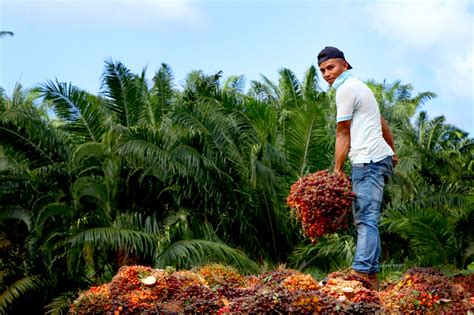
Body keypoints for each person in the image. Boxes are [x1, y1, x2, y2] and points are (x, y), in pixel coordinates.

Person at [317, 46, 397, 290]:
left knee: (365, 218)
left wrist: (337, 170)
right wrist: (392, 152)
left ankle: (360, 272)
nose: (327, 74)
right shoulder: (361, 87)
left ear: (345, 64)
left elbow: (343, 133)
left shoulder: (346, 89)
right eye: (322, 70)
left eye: (331, 67)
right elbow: (381, 122)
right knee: (367, 218)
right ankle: (370, 278)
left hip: (368, 161)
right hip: (378, 158)